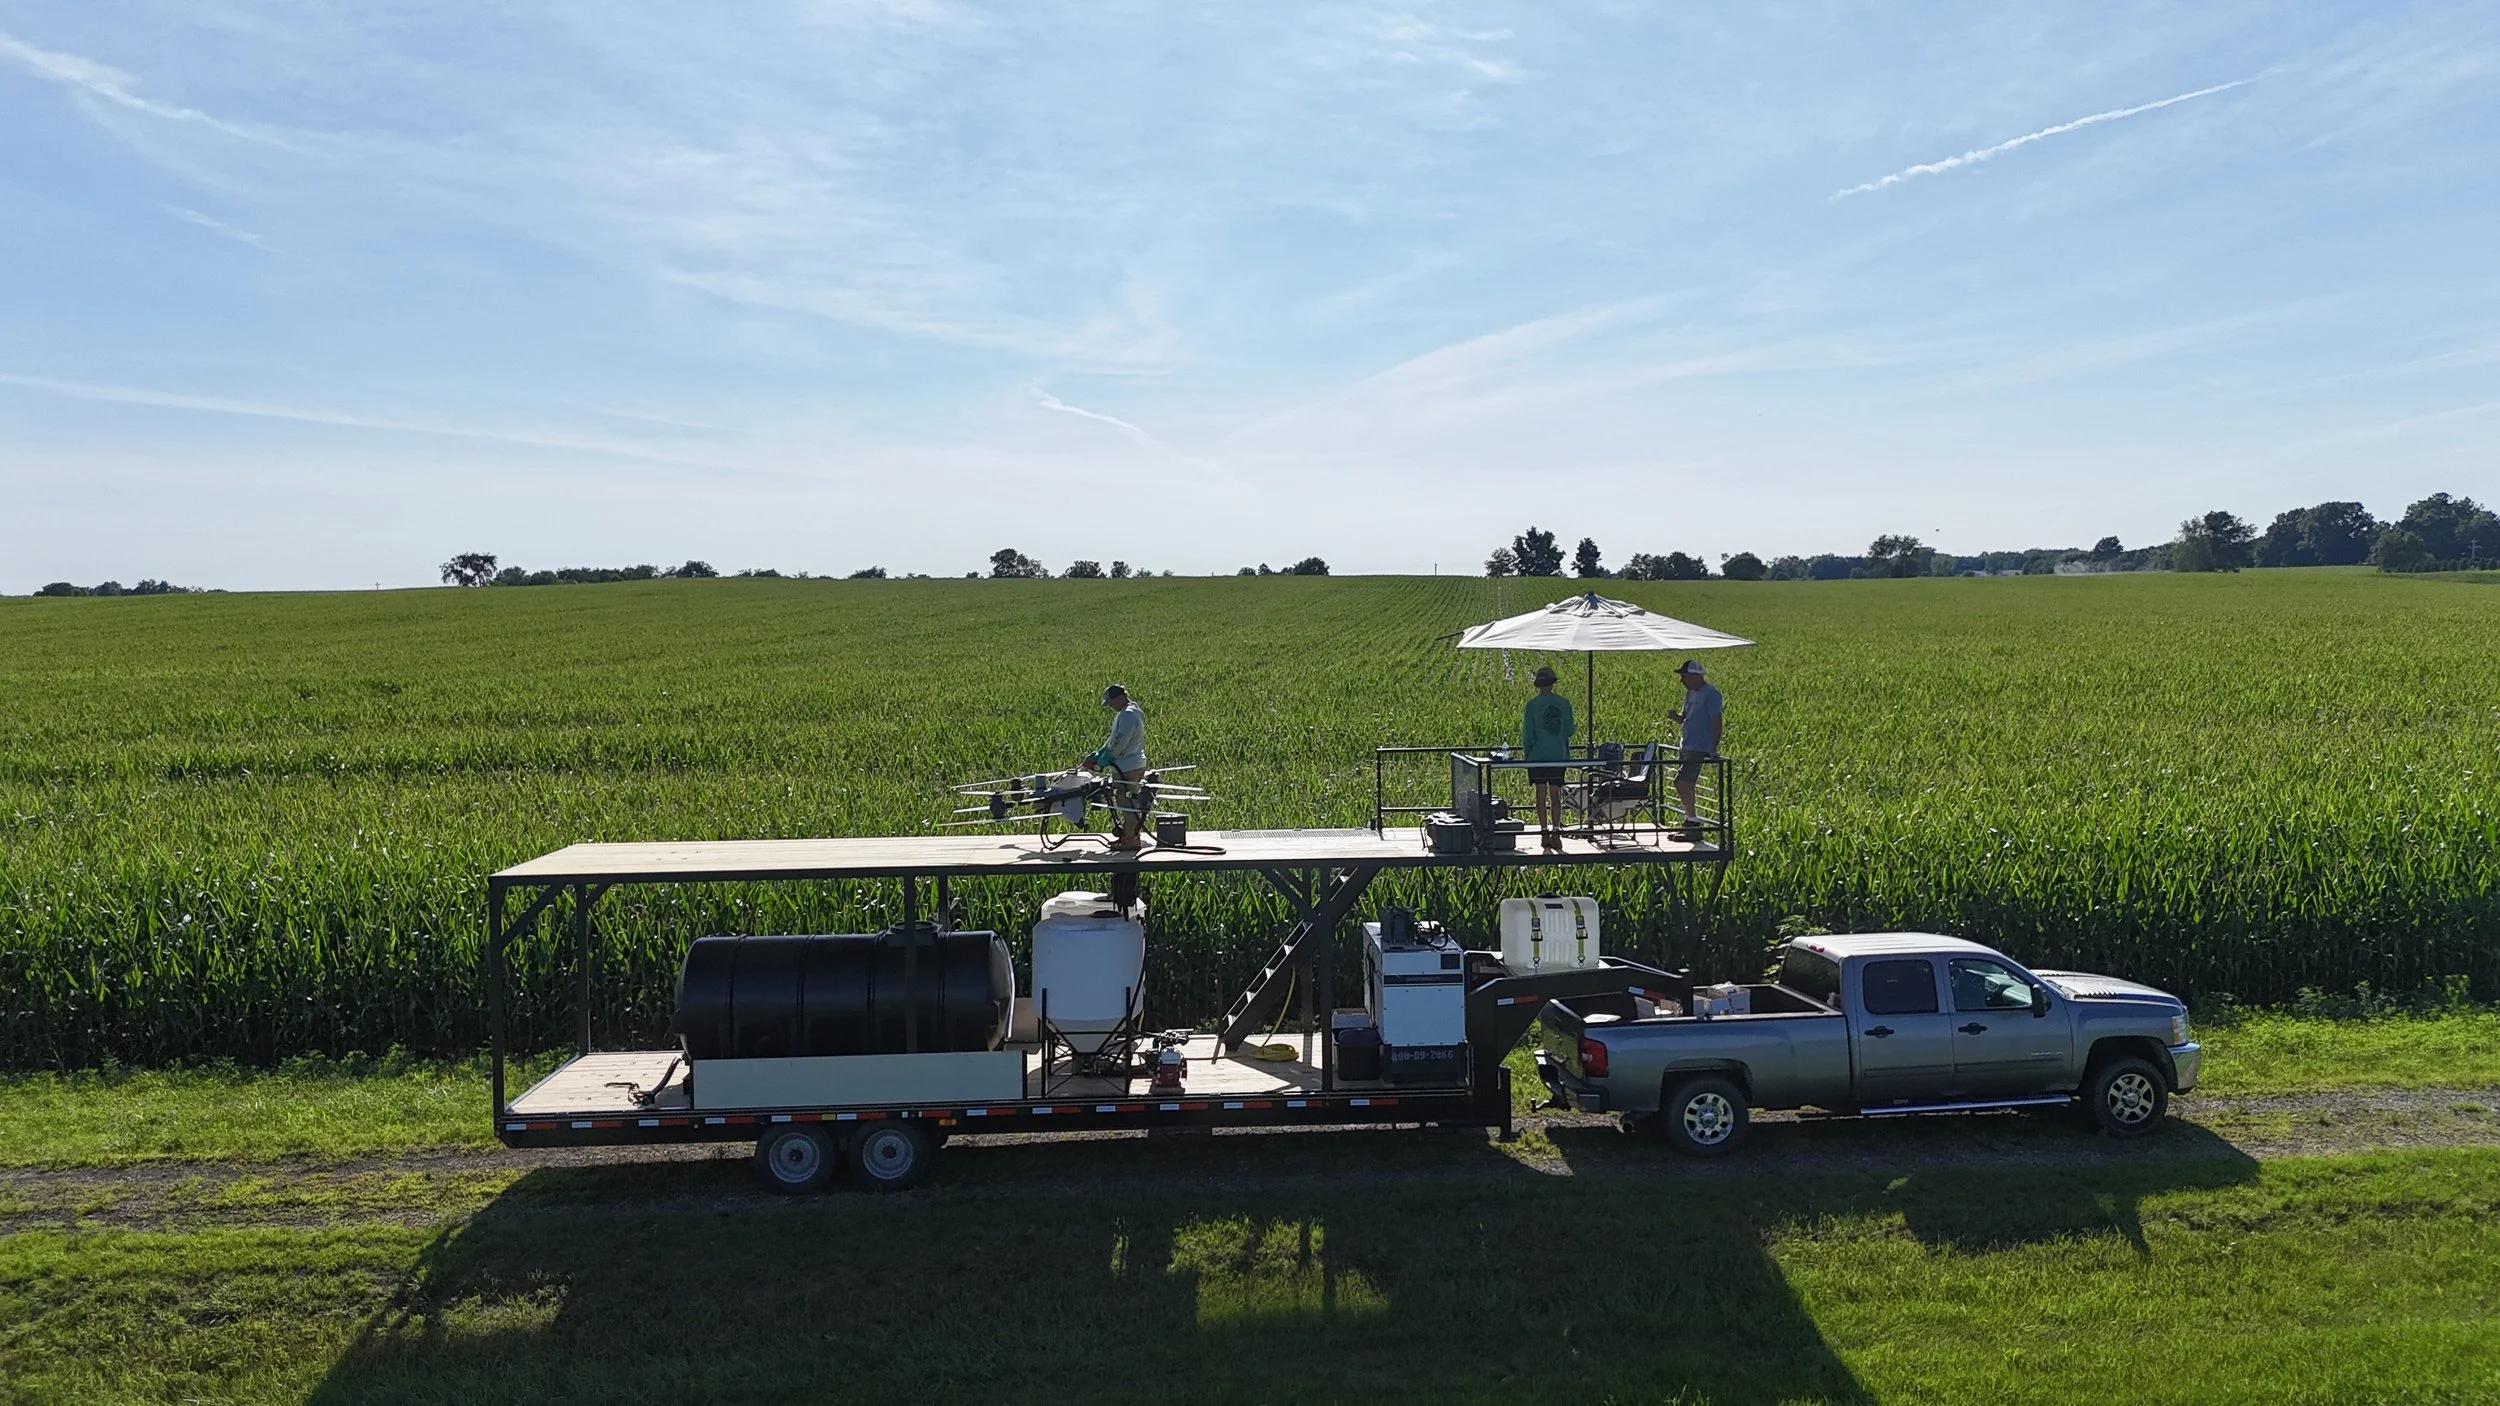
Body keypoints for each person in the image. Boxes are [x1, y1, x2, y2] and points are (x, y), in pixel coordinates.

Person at [1081, 683, 1149, 849]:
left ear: (1119, 698)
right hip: (1133, 764)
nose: (1110, 706)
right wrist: (1100, 751)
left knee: (1128, 805)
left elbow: (1119, 743)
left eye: (1111, 703)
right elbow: (1114, 739)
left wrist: (1106, 758)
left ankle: (1131, 841)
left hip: (1127, 766)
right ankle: (1128, 836)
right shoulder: (1132, 711)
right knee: (1126, 802)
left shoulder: (1128, 716)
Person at [1520, 665, 1575, 851]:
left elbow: (1528, 734)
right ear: (1552, 684)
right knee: (1555, 796)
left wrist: (1527, 754)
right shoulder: (1564, 703)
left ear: (1538, 685)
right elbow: (1569, 730)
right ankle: (1556, 831)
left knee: (1540, 795)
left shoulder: (1532, 706)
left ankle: (1543, 832)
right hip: (1558, 755)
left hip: (1538, 756)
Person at [1667, 659, 1723, 839]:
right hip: (1687, 745)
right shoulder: (1691, 693)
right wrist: (1676, 717)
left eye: (1684, 676)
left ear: (1695, 676)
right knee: (1687, 784)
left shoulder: (1711, 694)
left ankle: (1693, 822)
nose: (1682, 681)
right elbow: (1685, 717)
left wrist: (1712, 748)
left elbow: (1716, 722)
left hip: (1699, 747)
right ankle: (1690, 823)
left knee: (1680, 782)